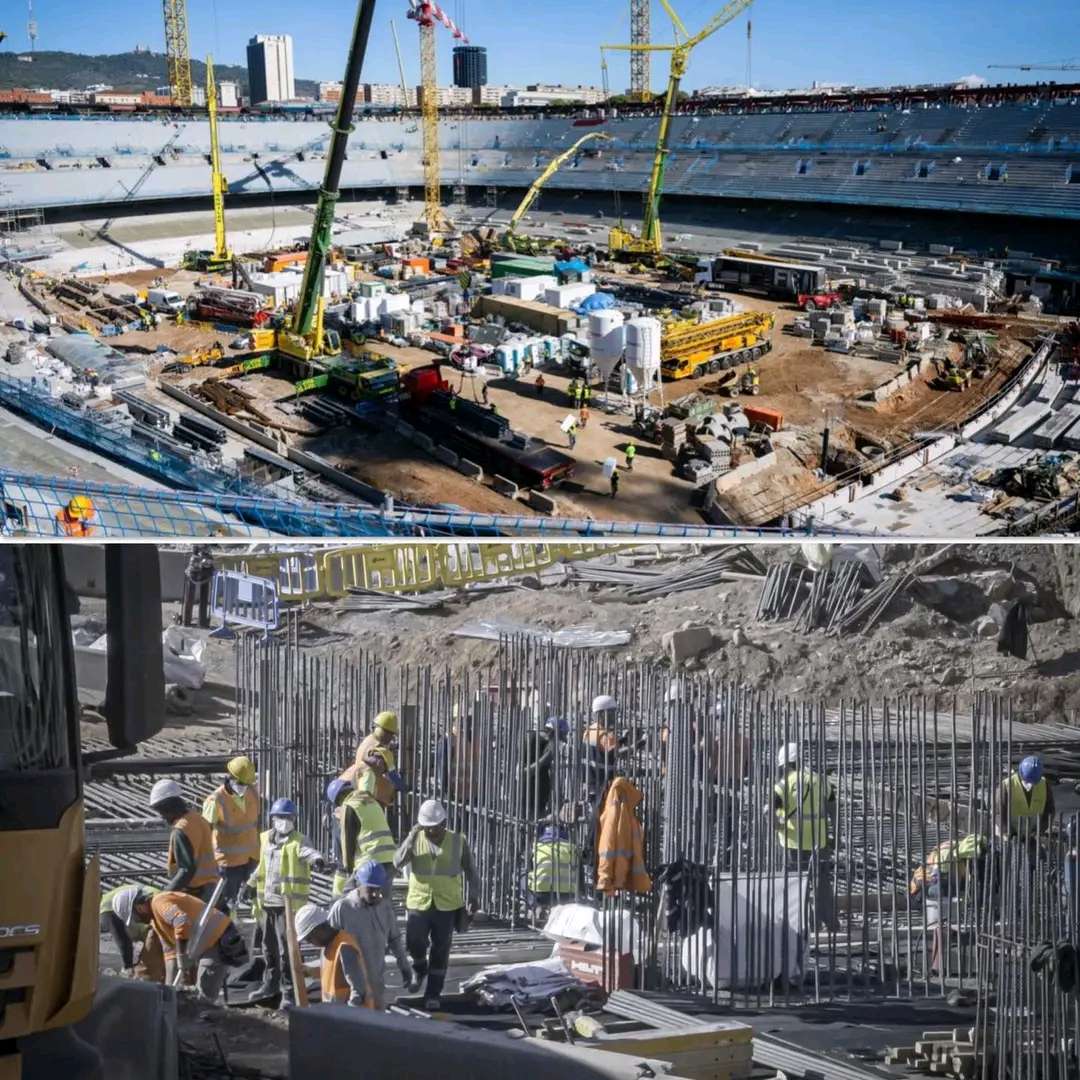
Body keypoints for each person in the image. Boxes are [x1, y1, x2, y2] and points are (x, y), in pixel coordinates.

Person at [395, 799, 481, 1011]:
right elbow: (397, 862)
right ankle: (419, 967)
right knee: (415, 941)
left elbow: (471, 870)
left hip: (447, 904)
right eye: (427, 828)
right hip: (418, 902)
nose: (431, 832)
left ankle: (433, 993)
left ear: (444, 823)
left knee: (441, 949)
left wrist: (475, 896)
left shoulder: (458, 841)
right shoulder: (416, 838)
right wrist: (410, 838)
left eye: (435, 828)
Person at [246, 798, 326, 1006]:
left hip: (287, 906)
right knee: (268, 948)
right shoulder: (265, 839)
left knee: (287, 951)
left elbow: (309, 853)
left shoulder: (299, 841)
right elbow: (262, 866)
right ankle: (270, 984)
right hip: (268, 904)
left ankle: (289, 991)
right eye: (281, 817)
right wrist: (250, 883)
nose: (285, 821)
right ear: (272, 819)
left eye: (289, 817)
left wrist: (318, 861)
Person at [133, 891, 248, 1004]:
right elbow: (170, 953)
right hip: (206, 944)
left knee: (204, 997)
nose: (138, 922)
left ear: (139, 908)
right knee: (199, 997)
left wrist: (181, 954)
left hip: (218, 938)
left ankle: (208, 1019)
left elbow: (181, 920)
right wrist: (170, 989)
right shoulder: (155, 921)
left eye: (135, 918)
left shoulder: (159, 902)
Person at [773, 743, 837, 944]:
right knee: (821, 883)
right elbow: (833, 810)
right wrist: (835, 835)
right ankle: (827, 921)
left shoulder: (782, 786)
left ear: (784, 764)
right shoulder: (820, 781)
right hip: (819, 842)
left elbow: (770, 815)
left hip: (793, 844)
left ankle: (804, 921)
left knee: (796, 885)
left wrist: (779, 827)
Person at [328, 860, 412, 1009]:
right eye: (370, 889)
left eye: (378, 889)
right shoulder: (343, 908)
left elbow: (394, 939)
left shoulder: (384, 907)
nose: (375, 894)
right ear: (359, 885)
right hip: (349, 992)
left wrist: (404, 965)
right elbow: (328, 949)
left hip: (376, 987)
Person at [202, 756, 261, 910]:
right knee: (228, 904)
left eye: (247, 784)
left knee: (257, 900)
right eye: (241, 783)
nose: (245, 787)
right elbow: (204, 832)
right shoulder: (216, 800)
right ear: (231, 778)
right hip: (228, 863)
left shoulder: (253, 792)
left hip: (253, 858)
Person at [149, 779, 219, 902]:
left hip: (197, 893)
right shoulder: (197, 818)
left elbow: (186, 870)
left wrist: (164, 895)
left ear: (169, 806)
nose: (162, 816)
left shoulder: (181, 830)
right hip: (212, 888)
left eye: (161, 811)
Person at [294, 904, 370, 1008]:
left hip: (351, 1018)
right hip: (335, 1015)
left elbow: (359, 989)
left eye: (310, 939)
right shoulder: (328, 944)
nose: (311, 943)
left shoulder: (345, 947)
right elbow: (334, 973)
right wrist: (311, 971)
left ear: (319, 929)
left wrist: (350, 1016)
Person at [342, 759, 398, 887]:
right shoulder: (375, 805)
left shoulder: (351, 805)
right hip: (389, 861)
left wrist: (348, 869)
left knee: (356, 901)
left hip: (368, 863)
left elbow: (347, 840)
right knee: (382, 903)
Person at [99, 884, 159, 978]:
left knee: (150, 935)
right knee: (124, 937)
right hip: (108, 907)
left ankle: (135, 968)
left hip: (128, 903)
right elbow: (122, 940)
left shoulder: (155, 900)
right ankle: (129, 969)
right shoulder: (152, 901)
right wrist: (129, 966)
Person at [994, 755, 1054, 839]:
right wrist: (1006, 831)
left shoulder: (1044, 785)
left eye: (1033, 782)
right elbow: (998, 812)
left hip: (1033, 834)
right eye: (1027, 781)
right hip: (1009, 834)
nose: (1030, 784)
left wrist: (1040, 830)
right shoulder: (1006, 786)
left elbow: (1050, 810)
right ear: (1020, 773)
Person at [520, 716, 568, 820]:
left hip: (540, 801)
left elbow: (551, 774)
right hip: (527, 799)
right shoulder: (532, 740)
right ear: (552, 733)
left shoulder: (548, 745)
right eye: (558, 739)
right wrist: (544, 759)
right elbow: (522, 773)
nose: (559, 743)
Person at [354, 711, 402, 810]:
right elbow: (393, 777)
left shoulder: (368, 741)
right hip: (372, 800)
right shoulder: (379, 751)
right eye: (391, 735)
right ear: (385, 732)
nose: (392, 738)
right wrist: (405, 787)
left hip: (360, 792)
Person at [181, 546, 214, 629]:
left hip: (203, 570)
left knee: (201, 597)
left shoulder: (203, 556)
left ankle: (199, 621)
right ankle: (189, 621)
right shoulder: (196, 557)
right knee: (192, 596)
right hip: (196, 571)